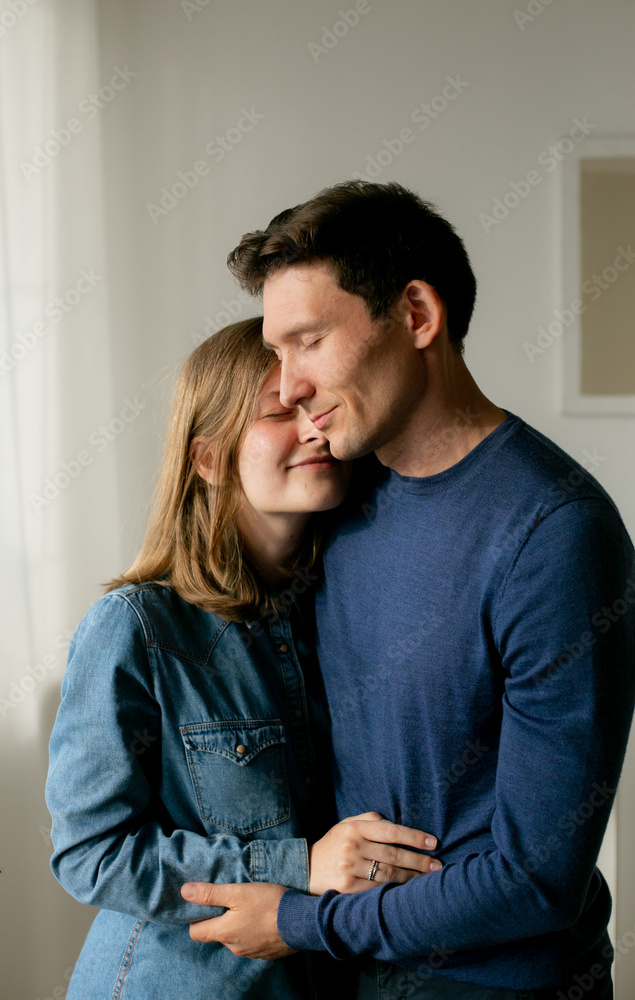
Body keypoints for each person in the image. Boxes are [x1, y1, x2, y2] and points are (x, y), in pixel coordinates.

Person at [180, 182, 635, 999]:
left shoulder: (554, 535)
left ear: (417, 315)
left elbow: (534, 878)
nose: (287, 388)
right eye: (276, 354)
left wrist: (295, 922)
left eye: (307, 341)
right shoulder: (341, 497)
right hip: (353, 978)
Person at [45, 316, 441, 1000]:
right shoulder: (136, 628)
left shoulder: (346, 618)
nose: (314, 428)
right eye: (278, 413)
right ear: (207, 458)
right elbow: (91, 856)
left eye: (316, 406)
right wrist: (300, 865)